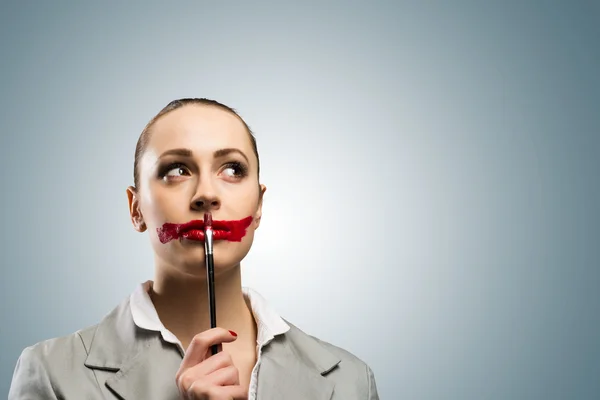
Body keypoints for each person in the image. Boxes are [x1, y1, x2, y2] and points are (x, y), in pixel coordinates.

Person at [8, 98, 380, 399]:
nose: (206, 194)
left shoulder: (350, 383)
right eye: (177, 170)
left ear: (259, 206)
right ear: (136, 209)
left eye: (232, 169)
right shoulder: (52, 372)